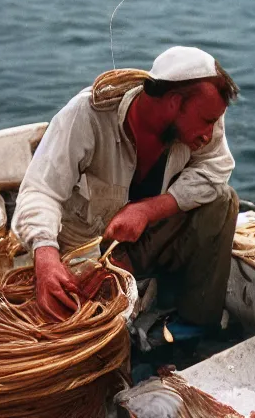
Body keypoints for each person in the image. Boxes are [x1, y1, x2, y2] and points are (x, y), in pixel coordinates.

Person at [13, 46, 240, 337]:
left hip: (145, 242)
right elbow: (40, 190)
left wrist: (147, 210)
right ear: (173, 103)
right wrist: (45, 257)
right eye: (206, 121)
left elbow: (217, 168)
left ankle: (194, 327)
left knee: (223, 200)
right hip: (84, 253)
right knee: (71, 323)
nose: (209, 134)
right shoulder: (87, 115)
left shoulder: (203, 119)